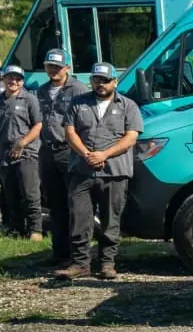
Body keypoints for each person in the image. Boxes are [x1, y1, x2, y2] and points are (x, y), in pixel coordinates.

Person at [57, 63, 141, 281]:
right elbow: (69, 132)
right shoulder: (78, 102)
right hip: (81, 171)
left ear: (115, 81)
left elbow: (131, 137)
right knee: (79, 218)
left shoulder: (128, 106)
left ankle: (107, 263)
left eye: (105, 80)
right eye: (96, 80)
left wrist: (104, 155)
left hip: (115, 171)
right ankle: (80, 264)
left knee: (110, 220)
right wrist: (87, 154)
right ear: (91, 81)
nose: (100, 84)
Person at [36, 49, 90, 266]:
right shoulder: (41, 90)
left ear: (67, 67)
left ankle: (77, 256)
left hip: (69, 151)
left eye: (57, 66)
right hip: (47, 151)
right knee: (55, 204)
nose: (53, 70)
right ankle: (59, 253)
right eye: (49, 66)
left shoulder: (78, 89)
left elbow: (86, 121)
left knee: (75, 203)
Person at [1, 64, 44, 240]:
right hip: (4, 154)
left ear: (22, 82)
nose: (13, 81)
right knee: (10, 195)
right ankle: (16, 229)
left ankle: (35, 230)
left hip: (27, 154)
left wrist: (23, 143)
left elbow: (38, 125)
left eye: (17, 79)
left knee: (30, 193)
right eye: (10, 78)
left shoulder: (29, 99)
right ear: (4, 79)